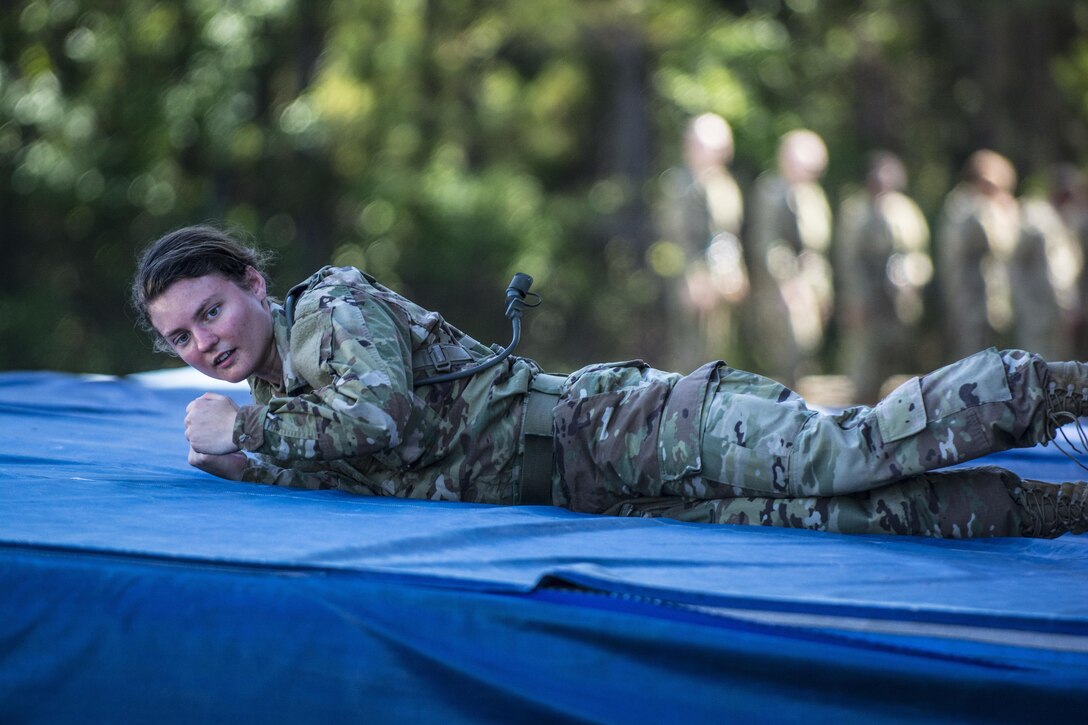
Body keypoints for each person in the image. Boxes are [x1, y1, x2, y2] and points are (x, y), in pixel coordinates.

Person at [132, 225, 1088, 539]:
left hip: (615, 426)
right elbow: (344, 468)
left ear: (253, 284)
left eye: (210, 312)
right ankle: (1069, 509)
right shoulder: (275, 405)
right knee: (857, 515)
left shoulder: (330, 305)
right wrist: (245, 455)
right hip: (592, 499)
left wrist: (244, 441)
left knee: (846, 450)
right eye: (178, 338)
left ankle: (1068, 390)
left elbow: (377, 418)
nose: (201, 344)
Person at [836, 151, 931, 403]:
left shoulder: (907, 211)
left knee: (894, 362)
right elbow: (849, 261)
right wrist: (854, 300)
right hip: (868, 299)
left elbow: (920, 254)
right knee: (864, 365)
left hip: (899, 301)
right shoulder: (856, 211)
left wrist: (914, 278)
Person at [656, 113, 747, 373]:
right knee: (690, 359)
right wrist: (692, 277)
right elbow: (675, 239)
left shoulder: (725, 185)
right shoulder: (679, 184)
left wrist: (737, 270)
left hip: (723, 279)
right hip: (694, 279)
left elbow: (728, 235)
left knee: (720, 352)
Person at [746, 129, 833, 387]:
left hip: (813, 283)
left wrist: (821, 287)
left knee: (808, 349)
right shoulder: (772, 192)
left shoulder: (813, 195)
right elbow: (770, 244)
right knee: (789, 353)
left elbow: (817, 248)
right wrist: (788, 283)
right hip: (786, 288)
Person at [937, 150, 1021, 361]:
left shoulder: (960, 205)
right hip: (973, 302)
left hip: (973, 300)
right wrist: (1007, 213)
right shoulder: (972, 209)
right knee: (975, 364)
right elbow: (1003, 245)